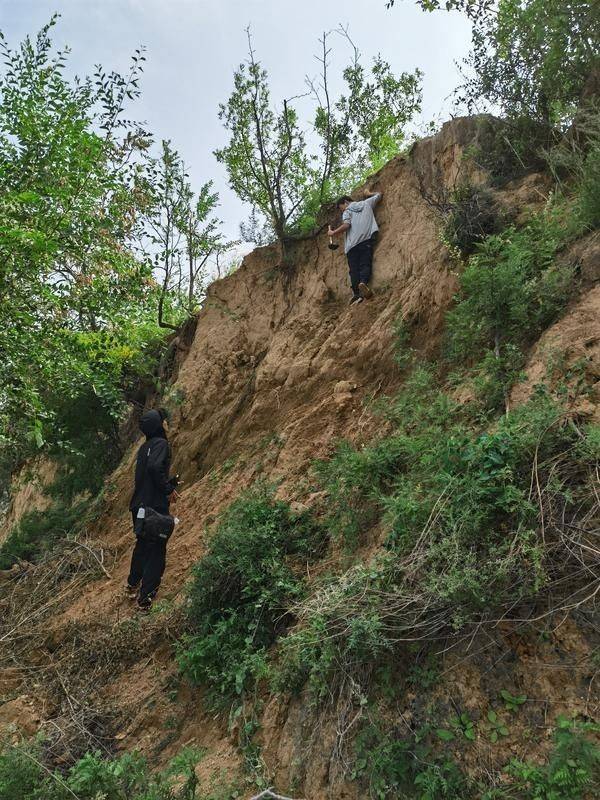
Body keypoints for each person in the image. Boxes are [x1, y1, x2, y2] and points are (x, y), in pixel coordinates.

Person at [125, 408, 179, 612]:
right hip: (154, 508)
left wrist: (168, 483)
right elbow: (155, 468)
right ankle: (145, 600)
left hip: (139, 507)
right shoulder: (161, 444)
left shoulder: (144, 447)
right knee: (157, 550)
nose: (167, 423)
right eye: (164, 421)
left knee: (143, 545)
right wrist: (168, 489)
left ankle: (132, 585)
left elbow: (147, 473)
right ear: (159, 425)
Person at [328, 189, 382, 305]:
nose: (341, 210)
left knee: (354, 270)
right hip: (366, 240)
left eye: (340, 207)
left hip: (352, 246)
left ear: (346, 202)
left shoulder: (347, 211)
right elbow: (379, 195)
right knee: (365, 263)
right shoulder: (367, 203)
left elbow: (347, 225)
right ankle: (363, 283)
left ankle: (357, 294)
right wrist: (368, 194)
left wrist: (333, 233)